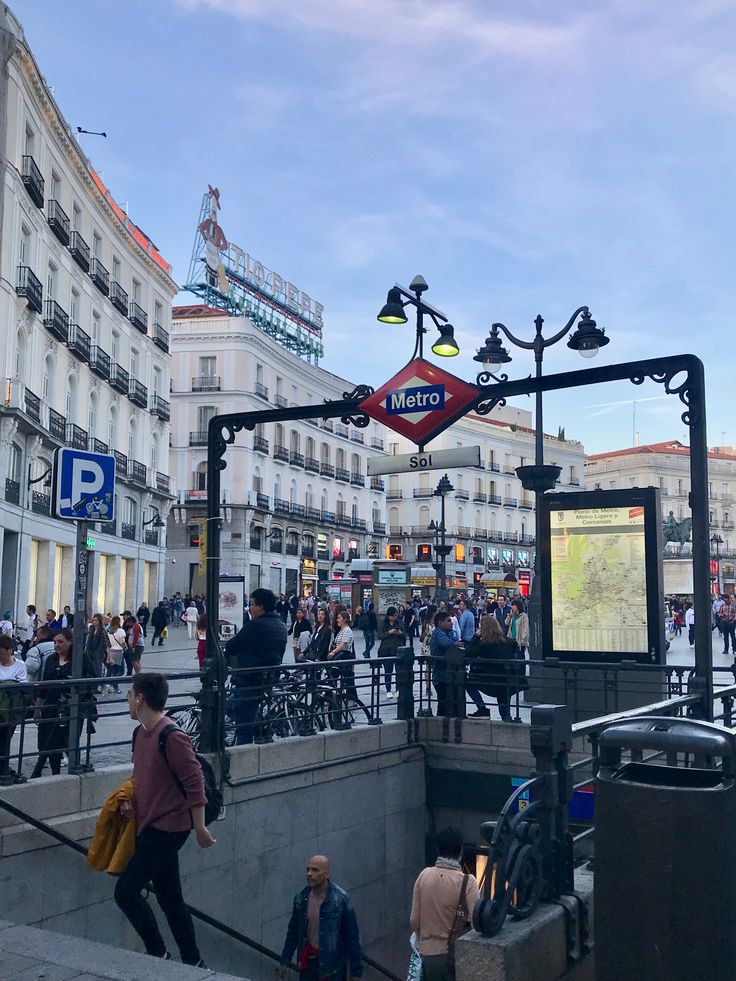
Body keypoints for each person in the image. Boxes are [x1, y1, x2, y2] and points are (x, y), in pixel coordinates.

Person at [114, 672, 214, 966]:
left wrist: (199, 827)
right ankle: (193, 961)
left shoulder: (171, 736)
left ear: (141, 698)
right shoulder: (139, 734)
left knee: (126, 891)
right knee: (170, 897)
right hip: (149, 822)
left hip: (169, 827)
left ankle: (158, 952)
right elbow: (143, 778)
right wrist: (130, 803)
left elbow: (194, 782)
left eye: (130, 695)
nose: (128, 700)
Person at [410, 826, 480, 981]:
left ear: (437, 850)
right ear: (461, 851)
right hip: (453, 957)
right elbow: (477, 924)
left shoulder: (424, 876)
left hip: (427, 956)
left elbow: (414, 920)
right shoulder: (468, 882)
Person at [279, 854, 363, 980]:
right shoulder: (302, 898)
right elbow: (293, 932)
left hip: (333, 967)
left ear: (326, 874)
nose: (309, 874)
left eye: (315, 870)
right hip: (309, 963)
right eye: (308, 869)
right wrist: (285, 960)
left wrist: (356, 972)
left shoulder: (340, 900)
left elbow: (352, 937)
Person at [225, 588, 287, 744]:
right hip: (266, 680)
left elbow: (232, 646)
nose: (250, 608)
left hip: (248, 680)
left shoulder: (255, 625)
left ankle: (243, 763)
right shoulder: (280, 625)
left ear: (261, 606)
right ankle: (260, 727)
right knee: (228, 707)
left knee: (243, 728)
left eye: (252, 604)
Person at [32, 628, 95, 778]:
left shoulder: (80, 658)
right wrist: (38, 706)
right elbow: (44, 685)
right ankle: (55, 774)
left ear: (69, 641)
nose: (57, 645)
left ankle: (73, 771)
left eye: (60, 641)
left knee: (68, 741)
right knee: (48, 742)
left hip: (71, 708)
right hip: (51, 706)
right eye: (55, 642)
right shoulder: (51, 660)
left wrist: (79, 693)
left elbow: (92, 679)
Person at [466, 615, 525, 721]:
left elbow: (468, 653)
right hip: (507, 681)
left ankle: (482, 708)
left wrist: (475, 637)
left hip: (490, 681)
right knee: (504, 709)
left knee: (468, 683)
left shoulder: (484, 644)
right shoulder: (510, 642)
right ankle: (507, 721)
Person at [0, 634, 28, 782]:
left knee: (5, 737)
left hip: (12, 708)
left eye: (2, 653)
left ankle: (4, 766)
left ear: (9, 650)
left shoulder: (20, 665)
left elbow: (23, 685)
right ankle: (3, 767)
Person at [429, 612, 459, 717]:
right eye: (448, 621)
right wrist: (457, 644)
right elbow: (446, 643)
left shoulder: (447, 632)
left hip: (447, 674)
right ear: (440, 623)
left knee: (449, 702)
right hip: (440, 675)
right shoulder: (438, 632)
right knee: (443, 702)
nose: (451, 623)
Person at [328, 610, 358, 702]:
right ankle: (331, 698)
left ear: (344, 619)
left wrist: (334, 652)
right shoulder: (341, 631)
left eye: (339, 618)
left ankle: (332, 698)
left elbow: (344, 645)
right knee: (340, 679)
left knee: (343, 679)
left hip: (344, 657)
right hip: (340, 658)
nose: (337, 620)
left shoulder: (347, 630)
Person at [376, 607, 405, 697]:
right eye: (393, 616)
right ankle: (388, 690)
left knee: (398, 671)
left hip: (397, 649)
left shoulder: (400, 623)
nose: (395, 617)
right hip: (386, 650)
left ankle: (398, 689)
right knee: (388, 671)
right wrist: (389, 632)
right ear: (389, 616)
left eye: (396, 616)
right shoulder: (383, 623)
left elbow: (404, 634)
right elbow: (380, 635)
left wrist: (399, 633)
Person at [85, 614, 109, 689]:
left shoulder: (102, 631)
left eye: (96, 620)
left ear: (99, 621)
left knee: (97, 669)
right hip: (89, 651)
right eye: (93, 620)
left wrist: (109, 656)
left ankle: (98, 685)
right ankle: (91, 685)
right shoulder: (91, 629)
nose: (94, 622)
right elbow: (88, 641)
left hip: (98, 653)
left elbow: (107, 644)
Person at [106, 616, 127, 694]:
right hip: (118, 652)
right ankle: (113, 682)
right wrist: (126, 648)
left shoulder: (110, 632)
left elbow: (107, 644)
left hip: (111, 652)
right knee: (120, 671)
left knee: (111, 670)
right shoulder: (121, 631)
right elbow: (122, 642)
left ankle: (112, 686)